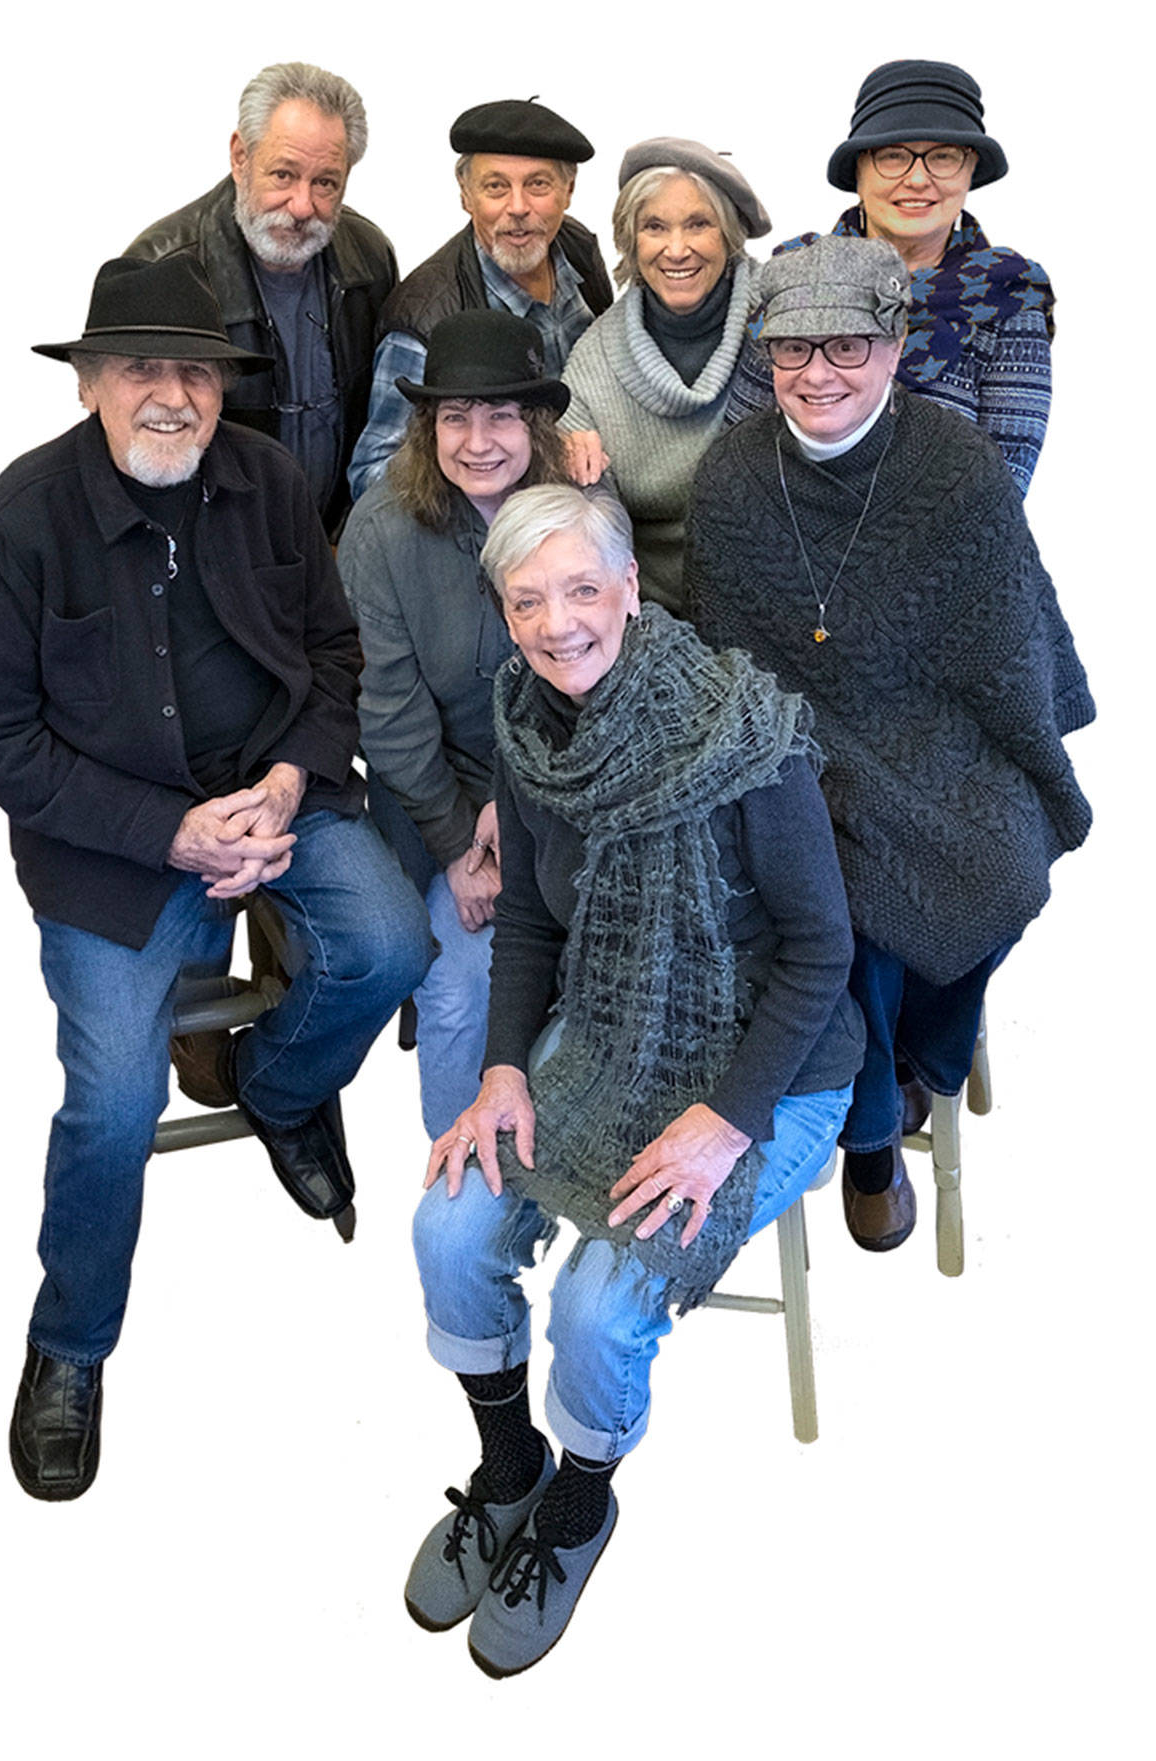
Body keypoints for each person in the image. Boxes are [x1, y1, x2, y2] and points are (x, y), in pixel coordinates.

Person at [0, 256, 433, 1502]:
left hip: (276, 794)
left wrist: (286, 780)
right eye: (141, 371)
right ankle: (68, 1346)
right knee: (110, 1107)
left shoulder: (268, 482)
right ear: (93, 385)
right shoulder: (21, 515)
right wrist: (171, 836)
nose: (171, 395)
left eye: (194, 372)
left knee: (389, 945)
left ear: (222, 385)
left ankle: (275, 1085)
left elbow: (334, 650)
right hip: (114, 844)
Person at [406, 486, 865, 1675]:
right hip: (604, 1032)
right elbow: (526, 926)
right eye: (527, 600)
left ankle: (577, 1507)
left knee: (596, 1309)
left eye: (578, 589)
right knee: (449, 1229)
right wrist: (504, 1066)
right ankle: (508, 1477)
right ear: (504, 616)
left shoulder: (741, 735)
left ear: (627, 589)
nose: (558, 624)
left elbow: (820, 951)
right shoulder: (525, 724)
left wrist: (727, 1121)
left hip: (772, 1071)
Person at [685, 235, 1092, 1254]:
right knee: (833, 901)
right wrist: (776, 767)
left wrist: (1013, 754)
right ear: (765, 354)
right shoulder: (732, 472)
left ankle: (925, 1056)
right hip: (792, 752)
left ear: (893, 341)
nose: (816, 373)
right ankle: (868, 1141)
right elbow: (724, 658)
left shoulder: (952, 461)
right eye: (790, 350)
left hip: (943, 735)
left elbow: (1002, 639)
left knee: (1004, 867)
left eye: (844, 347)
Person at [338, 311, 571, 1138]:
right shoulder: (380, 531)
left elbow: (605, 676)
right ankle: (463, 1190)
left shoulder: (577, 509)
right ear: (426, 425)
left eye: (502, 415)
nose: (479, 440)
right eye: (455, 417)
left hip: (563, 799)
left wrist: (526, 814)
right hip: (439, 808)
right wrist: (457, 841)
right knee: (462, 983)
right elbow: (388, 717)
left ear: (536, 426)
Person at [735, 59, 1053, 497]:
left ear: (969, 171)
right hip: (783, 552)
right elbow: (739, 450)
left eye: (943, 156)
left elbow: (1000, 494)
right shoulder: (794, 279)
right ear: (860, 171)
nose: (918, 179)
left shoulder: (1009, 296)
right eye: (893, 156)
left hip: (943, 558)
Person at [126, 60, 396, 538]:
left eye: (326, 183)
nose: (302, 206)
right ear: (239, 156)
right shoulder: (163, 266)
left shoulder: (369, 260)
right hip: (209, 549)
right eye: (283, 175)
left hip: (332, 545)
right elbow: (131, 447)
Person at [347, 98, 611, 499]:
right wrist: (497, 469)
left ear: (568, 191)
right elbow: (370, 477)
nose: (518, 207)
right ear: (465, 196)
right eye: (496, 187)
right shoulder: (423, 319)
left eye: (538, 184)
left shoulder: (579, 251)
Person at [560, 137, 771, 613]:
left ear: (730, 235)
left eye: (699, 224)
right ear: (631, 240)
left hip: (781, 602)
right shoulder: (596, 358)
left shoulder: (781, 326)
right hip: (650, 615)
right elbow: (585, 528)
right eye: (655, 227)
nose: (677, 250)